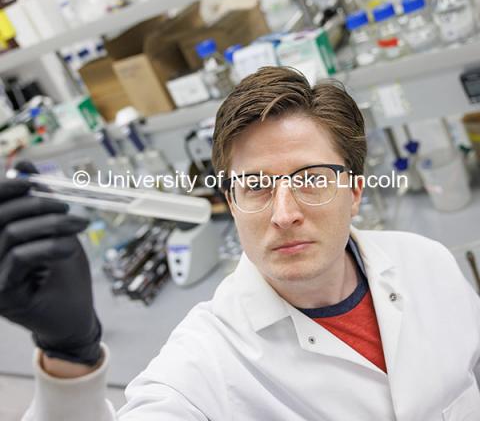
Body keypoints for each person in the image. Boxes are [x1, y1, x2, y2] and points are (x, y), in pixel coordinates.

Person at [0, 67, 479, 421]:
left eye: (311, 179)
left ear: (353, 192)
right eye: (255, 185)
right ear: (231, 202)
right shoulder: (205, 360)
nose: (284, 213)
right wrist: (70, 357)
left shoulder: (425, 262)